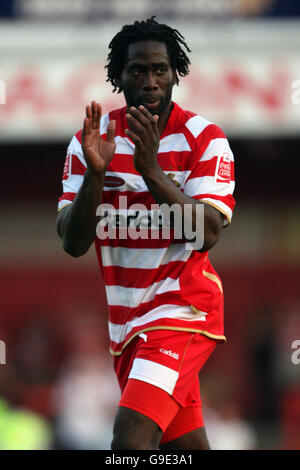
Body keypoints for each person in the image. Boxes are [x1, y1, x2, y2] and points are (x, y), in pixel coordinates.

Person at [57, 17, 235, 450]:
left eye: (160, 70)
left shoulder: (204, 139)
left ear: (176, 73)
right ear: (118, 76)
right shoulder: (93, 142)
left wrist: (151, 170)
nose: (150, 81)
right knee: (184, 449)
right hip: (127, 324)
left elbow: (205, 234)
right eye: (138, 70)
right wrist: (96, 176)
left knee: (130, 438)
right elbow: (73, 242)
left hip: (183, 312)